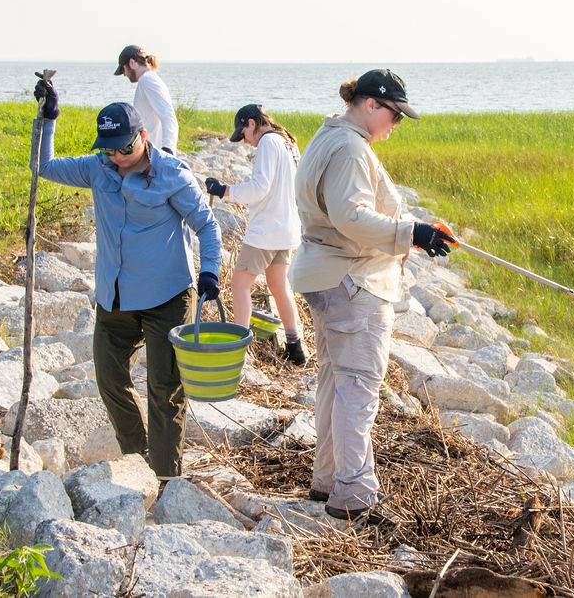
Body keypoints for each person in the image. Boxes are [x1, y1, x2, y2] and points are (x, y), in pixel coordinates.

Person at [30, 79, 221, 489]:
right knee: (109, 378)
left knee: (165, 387)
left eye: (124, 148)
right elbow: (43, 167)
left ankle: (167, 476)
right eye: (109, 149)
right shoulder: (96, 168)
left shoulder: (172, 174)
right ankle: (138, 455)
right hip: (114, 297)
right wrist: (47, 120)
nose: (117, 157)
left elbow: (207, 226)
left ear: (143, 136)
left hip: (168, 296)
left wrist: (209, 271)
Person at [290, 69, 455, 521]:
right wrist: (411, 232)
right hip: (351, 282)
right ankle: (354, 495)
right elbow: (350, 215)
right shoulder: (349, 147)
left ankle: (328, 481)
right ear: (370, 104)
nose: (396, 125)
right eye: (395, 115)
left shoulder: (329, 135)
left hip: (328, 276)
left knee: (336, 381)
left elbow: (344, 212)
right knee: (358, 388)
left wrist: (419, 230)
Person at [203, 104, 306, 365]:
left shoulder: (268, 142)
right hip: (287, 228)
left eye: (244, 133)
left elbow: (260, 188)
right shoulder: (288, 142)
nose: (245, 141)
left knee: (240, 284)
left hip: (266, 231)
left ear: (252, 123)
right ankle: (295, 348)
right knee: (279, 286)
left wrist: (225, 191)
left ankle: (238, 350)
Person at [114, 45, 179, 154]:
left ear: (132, 63)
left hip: (156, 152)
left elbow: (168, 114)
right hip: (151, 152)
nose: (124, 74)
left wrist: (168, 149)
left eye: (123, 69)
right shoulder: (148, 79)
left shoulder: (147, 80)